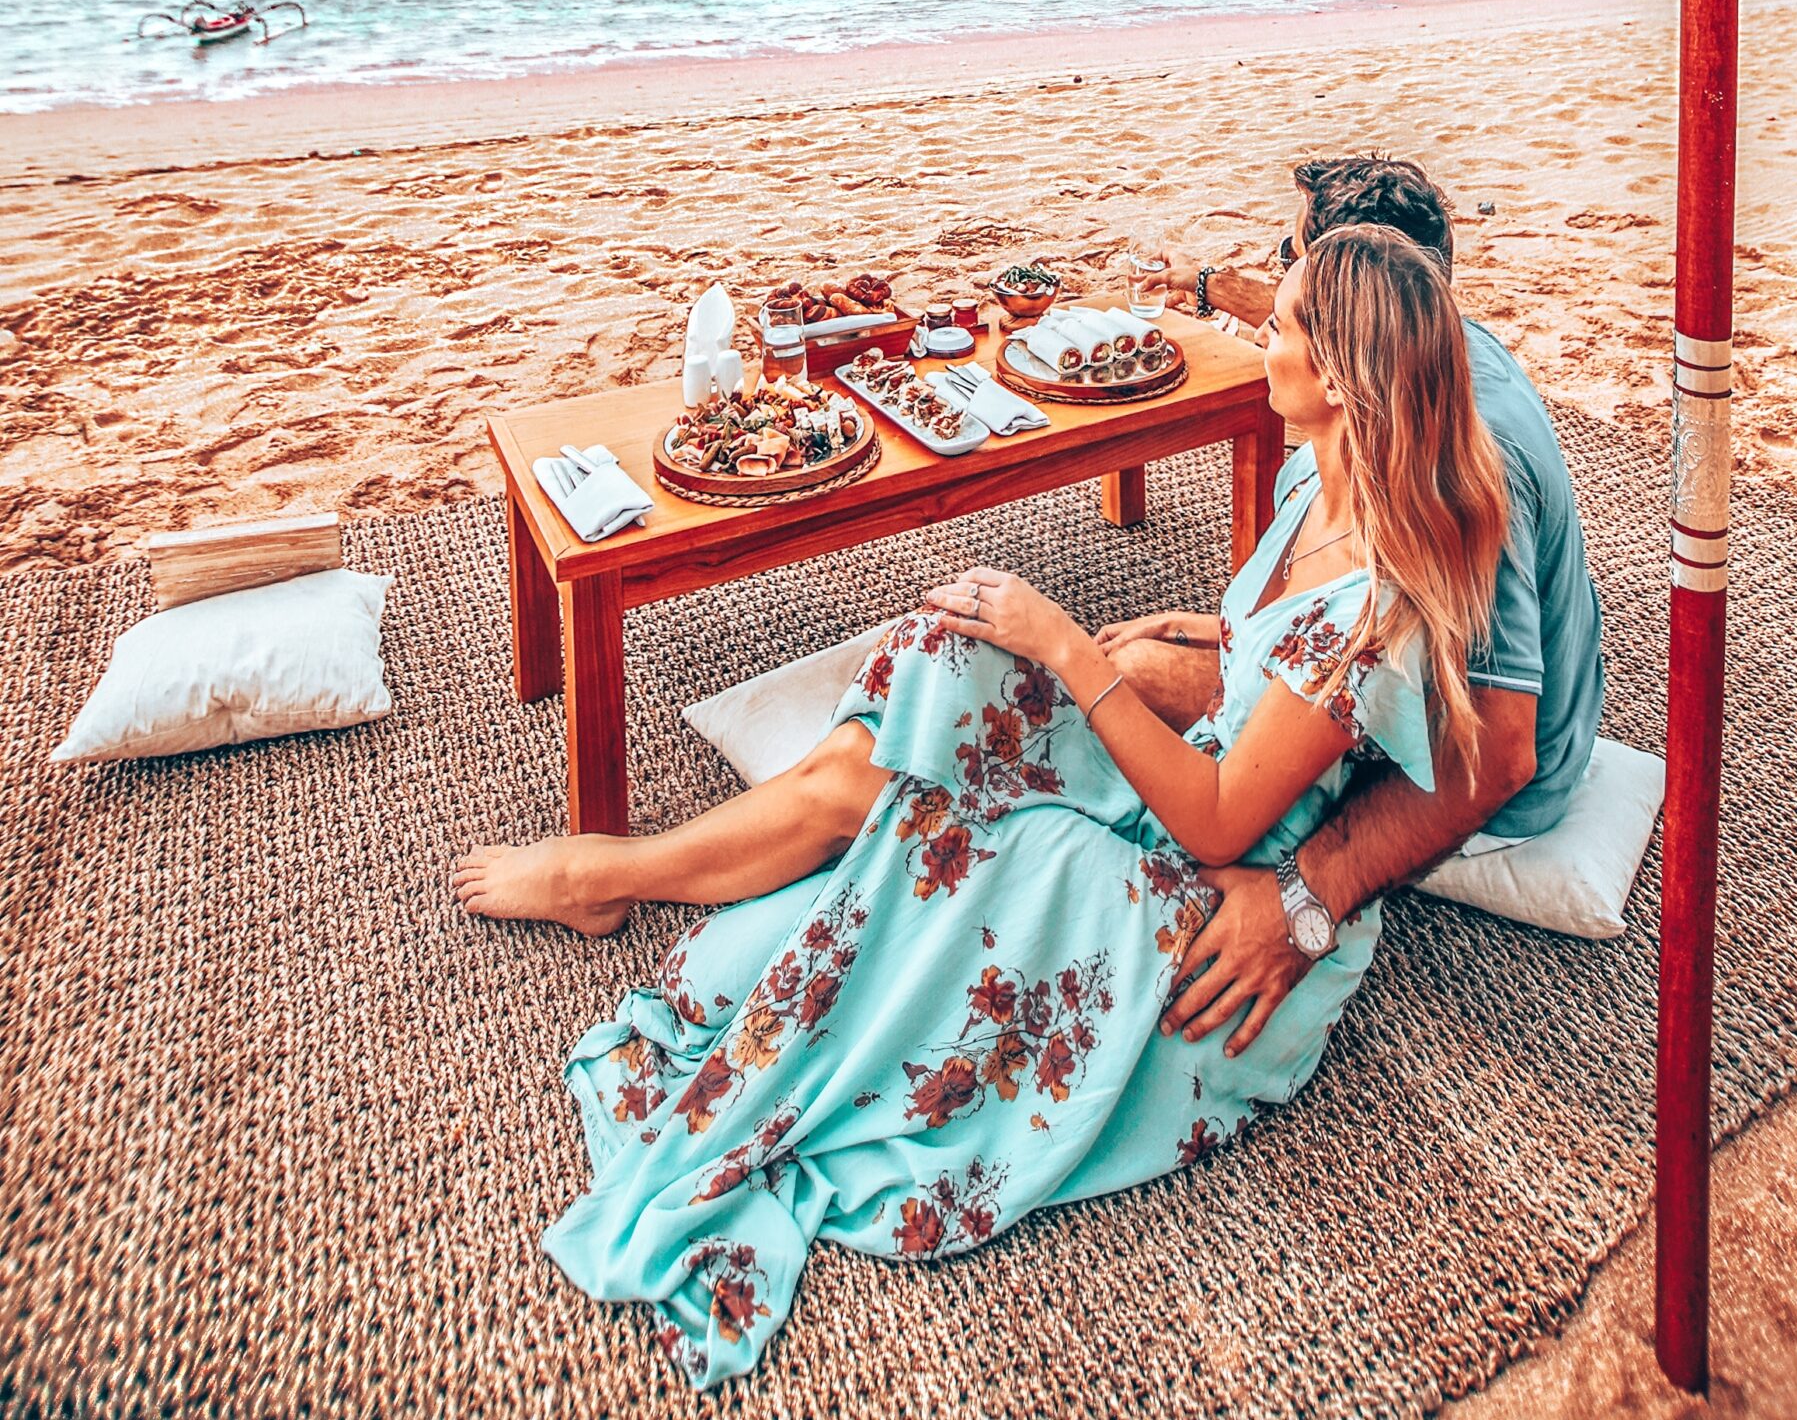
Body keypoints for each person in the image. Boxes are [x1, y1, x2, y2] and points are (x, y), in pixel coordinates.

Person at [452, 226, 1507, 1387]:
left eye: (1287, 324)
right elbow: (1268, 654)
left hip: (1218, 887)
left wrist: (1064, 639)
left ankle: (616, 869)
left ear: (1345, 381)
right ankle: (644, 861)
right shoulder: (1317, 473)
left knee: (973, 808)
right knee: (948, 661)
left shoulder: (1371, 610)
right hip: (1206, 773)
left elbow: (1219, 816)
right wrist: (1199, 633)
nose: (1263, 331)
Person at [1129, 154, 1604, 1059]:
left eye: (1295, 263)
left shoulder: (1455, 468)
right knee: (1149, 656)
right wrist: (1223, 632)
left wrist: (1307, 899)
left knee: (1132, 683)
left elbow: (1501, 752)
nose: (1279, 289)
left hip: (1496, 777)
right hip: (1428, 678)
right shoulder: (1442, 362)